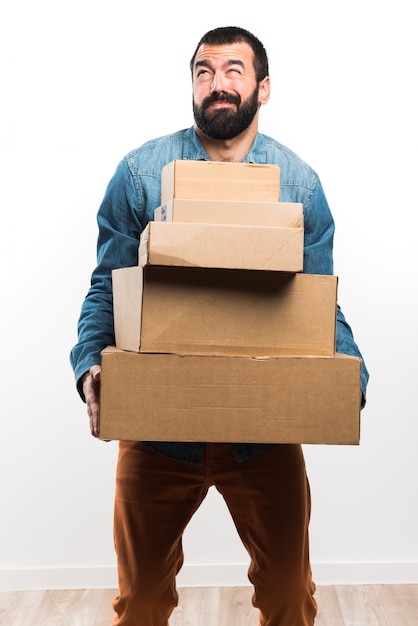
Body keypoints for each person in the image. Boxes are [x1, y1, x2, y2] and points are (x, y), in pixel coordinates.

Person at [70, 26, 369, 626]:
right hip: (159, 425)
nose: (218, 85)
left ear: (263, 87)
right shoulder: (140, 174)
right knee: (142, 603)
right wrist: (90, 366)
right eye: (204, 72)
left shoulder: (300, 185)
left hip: (262, 425)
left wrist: (348, 371)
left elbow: (317, 302)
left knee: (289, 594)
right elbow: (108, 288)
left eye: (234, 71)